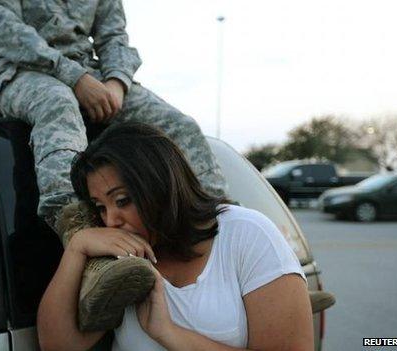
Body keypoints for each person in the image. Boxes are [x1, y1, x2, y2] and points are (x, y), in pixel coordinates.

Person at [0, 0, 227, 331]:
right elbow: (5, 32)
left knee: (179, 125)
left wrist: (116, 84)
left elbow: (114, 36)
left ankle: (231, 259)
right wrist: (76, 78)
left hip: (94, 76)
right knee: (57, 105)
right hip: (18, 73)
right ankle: (92, 259)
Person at [37, 123, 314, 351]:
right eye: (100, 207)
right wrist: (77, 247)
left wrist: (168, 333)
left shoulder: (246, 235)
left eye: (122, 200)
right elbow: (59, 346)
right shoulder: (118, 262)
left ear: (160, 186)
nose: (110, 221)